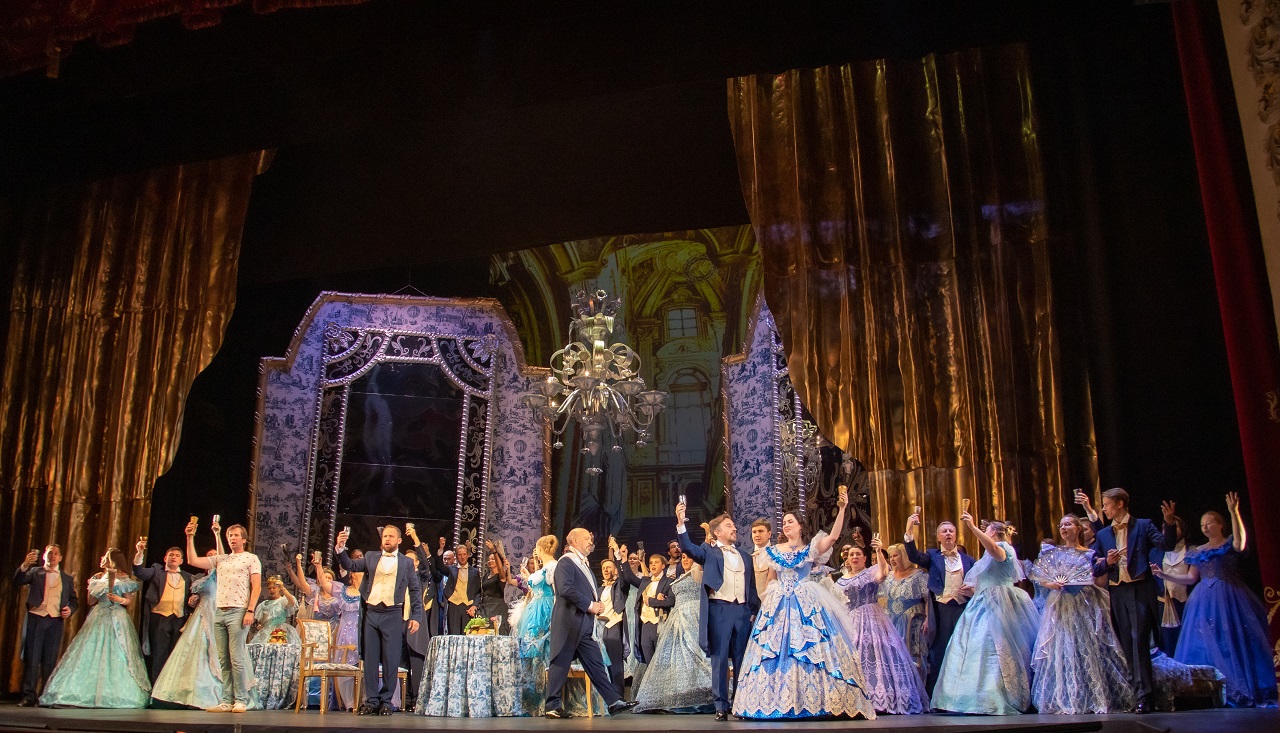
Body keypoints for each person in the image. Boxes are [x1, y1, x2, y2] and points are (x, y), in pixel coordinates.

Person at [731, 491, 875, 720]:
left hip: (805, 600)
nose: (786, 525)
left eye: (790, 521)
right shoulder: (774, 552)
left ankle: (816, 700)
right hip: (779, 603)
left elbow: (833, 537)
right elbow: (771, 580)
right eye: (784, 522)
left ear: (800, 526)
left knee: (811, 647)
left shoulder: (810, 549)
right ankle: (772, 701)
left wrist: (842, 509)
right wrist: (765, 608)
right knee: (774, 649)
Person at [1154, 492, 1278, 707]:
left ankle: (1237, 687)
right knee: (1205, 642)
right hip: (1203, 598)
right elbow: (1191, 578)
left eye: (1209, 523)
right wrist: (1164, 575)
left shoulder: (1228, 543)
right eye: (1202, 524)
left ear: (1220, 525)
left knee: (1232, 640)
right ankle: (1205, 691)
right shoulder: (1198, 551)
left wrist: (1234, 512)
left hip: (1229, 595)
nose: (1205, 527)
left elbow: (1240, 543)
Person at [930, 515, 1039, 715]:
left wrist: (972, 527)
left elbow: (996, 551)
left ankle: (995, 695)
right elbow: (988, 576)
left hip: (998, 604)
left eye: (987, 531)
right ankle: (970, 697)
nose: (984, 534)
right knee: (971, 649)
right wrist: (972, 590)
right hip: (982, 600)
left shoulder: (1003, 548)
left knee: (995, 647)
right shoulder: (988, 554)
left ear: (992, 533)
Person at [1030, 515, 1134, 714]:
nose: (1063, 528)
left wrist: (1107, 565)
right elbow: (1041, 578)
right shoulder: (1054, 553)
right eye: (1061, 525)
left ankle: (1092, 696)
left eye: (1068, 524)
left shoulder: (1090, 554)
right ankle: (1067, 697)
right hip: (1061, 605)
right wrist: (1051, 584)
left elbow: (1097, 578)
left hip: (1084, 603)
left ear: (1078, 528)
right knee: (1063, 648)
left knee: (1087, 647)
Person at [1087, 488, 1178, 713]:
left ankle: (1145, 696)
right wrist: (1107, 562)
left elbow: (1166, 545)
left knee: (1139, 641)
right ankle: (1137, 694)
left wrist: (1169, 523)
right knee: (1127, 643)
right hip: (1118, 592)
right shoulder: (1103, 534)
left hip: (1139, 589)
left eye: (1106, 504)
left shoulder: (1143, 525)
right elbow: (1094, 567)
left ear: (1119, 504)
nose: (1104, 509)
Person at [673, 507, 760, 720]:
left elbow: (751, 587)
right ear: (717, 533)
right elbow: (688, 548)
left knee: (741, 658)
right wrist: (681, 523)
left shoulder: (745, 556)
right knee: (720, 659)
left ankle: (741, 703)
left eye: (734, 525)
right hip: (719, 609)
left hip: (742, 611)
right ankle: (721, 705)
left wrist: (752, 611)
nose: (735, 528)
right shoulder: (708, 551)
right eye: (729, 526)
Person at [39, 548, 150, 708]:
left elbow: (128, 601)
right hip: (99, 615)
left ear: (113, 560)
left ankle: (114, 692)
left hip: (116, 617)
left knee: (116, 651)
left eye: (106, 556)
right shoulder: (98, 577)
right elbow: (91, 601)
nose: (102, 558)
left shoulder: (124, 577)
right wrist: (91, 586)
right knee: (90, 649)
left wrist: (119, 599)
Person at [543, 528, 636, 718]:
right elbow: (565, 590)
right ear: (575, 541)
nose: (590, 540)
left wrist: (594, 605)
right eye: (586, 538)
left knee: (596, 663)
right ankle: (552, 705)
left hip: (584, 622)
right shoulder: (566, 562)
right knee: (560, 661)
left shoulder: (582, 563)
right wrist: (591, 605)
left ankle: (613, 702)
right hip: (569, 621)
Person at [335, 524, 424, 715]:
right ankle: (372, 701)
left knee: (391, 659)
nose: (387, 539)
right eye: (385, 536)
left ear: (399, 540)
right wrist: (341, 549)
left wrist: (416, 616)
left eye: (391, 536)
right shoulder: (370, 557)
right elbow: (350, 566)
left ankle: (386, 702)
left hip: (392, 613)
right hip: (372, 613)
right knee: (371, 659)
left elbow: (415, 590)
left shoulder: (406, 563)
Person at [837, 538, 929, 714]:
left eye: (858, 554)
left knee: (877, 656)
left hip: (871, 617)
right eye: (851, 555)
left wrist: (879, 551)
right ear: (847, 559)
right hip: (850, 619)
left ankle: (882, 697)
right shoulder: (841, 580)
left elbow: (883, 574)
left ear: (864, 558)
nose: (854, 557)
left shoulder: (870, 572)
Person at [185, 517, 261, 713]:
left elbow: (256, 586)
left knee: (236, 658)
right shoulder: (222, 559)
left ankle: (241, 699)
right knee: (223, 659)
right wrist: (190, 537)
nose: (232, 538)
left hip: (238, 610)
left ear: (244, 539)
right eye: (230, 536)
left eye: (235, 535)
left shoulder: (251, 558)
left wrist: (250, 610)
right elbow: (192, 560)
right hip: (220, 611)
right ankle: (227, 700)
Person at [902, 512, 975, 695]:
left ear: (956, 536)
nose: (948, 533)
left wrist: (972, 590)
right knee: (939, 651)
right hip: (941, 609)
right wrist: (909, 529)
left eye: (951, 531)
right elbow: (914, 556)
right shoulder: (933, 556)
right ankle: (938, 695)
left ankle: (963, 692)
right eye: (944, 531)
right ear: (938, 537)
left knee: (964, 648)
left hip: (963, 608)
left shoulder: (968, 560)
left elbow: (978, 582)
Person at [632, 553, 714, 713]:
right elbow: (672, 599)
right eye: (683, 557)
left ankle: (706, 696)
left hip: (693, 616)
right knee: (679, 659)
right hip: (677, 618)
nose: (685, 559)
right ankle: (683, 696)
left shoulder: (699, 572)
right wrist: (662, 598)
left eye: (689, 557)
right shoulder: (678, 577)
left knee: (696, 654)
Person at [152, 540, 225, 709]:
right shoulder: (199, 578)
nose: (212, 558)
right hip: (200, 612)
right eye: (209, 556)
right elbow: (196, 595)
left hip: (216, 611)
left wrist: (217, 535)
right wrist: (194, 599)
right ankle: (187, 691)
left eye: (214, 556)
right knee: (193, 648)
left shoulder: (224, 576)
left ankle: (215, 691)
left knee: (214, 648)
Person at [14, 544, 78, 707]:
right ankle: (29, 696)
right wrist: (25, 565)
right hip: (36, 618)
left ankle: (46, 695)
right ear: (44, 556)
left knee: (49, 660)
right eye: (49, 553)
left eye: (56, 553)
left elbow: (74, 600)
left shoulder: (67, 578)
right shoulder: (35, 572)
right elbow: (18, 580)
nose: (52, 556)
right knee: (32, 659)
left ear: (60, 558)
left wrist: (70, 609)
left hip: (55, 621)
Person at [132, 539, 197, 684]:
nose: (173, 557)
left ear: (181, 561)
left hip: (180, 618)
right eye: (171, 555)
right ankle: (156, 687)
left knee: (176, 654)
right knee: (159, 654)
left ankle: (171, 687)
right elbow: (139, 572)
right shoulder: (157, 570)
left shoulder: (188, 577)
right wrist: (140, 552)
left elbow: (197, 593)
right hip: (160, 617)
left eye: (177, 556)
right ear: (165, 558)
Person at [617, 550, 673, 692]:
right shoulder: (645, 581)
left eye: (656, 562)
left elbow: (671, 601)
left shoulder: (669, 582)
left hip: (659, 624)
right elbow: (629, 577)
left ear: (663, 566)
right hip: (645, 625)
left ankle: (664, 691)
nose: (653, 565)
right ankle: (654, 691)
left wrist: (653, 601)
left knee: (661, 659)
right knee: (648, 658)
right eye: (651, 563)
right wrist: (623, 558)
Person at [878, 543, 929, 682]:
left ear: (904, 556)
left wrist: (927, 619)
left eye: (895, 555)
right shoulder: (888, 577)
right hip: (891, 620)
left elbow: (927, 599)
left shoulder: (918, 576)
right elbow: (882, 599)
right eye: (890, 557)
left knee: (913, 655)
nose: (892, 559)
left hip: (912, 621)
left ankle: (916, 687)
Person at [247, 575, 299, 708]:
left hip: (280, 630)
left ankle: (278, 688)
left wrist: (284, 589)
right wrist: (260, 625)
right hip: (265, 631)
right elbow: (260, 620)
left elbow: (292, 603)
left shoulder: (283, 600)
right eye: (269, 588)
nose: (271, 590)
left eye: (274, 588)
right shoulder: (263, 604)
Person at [403, 525, 439, 712]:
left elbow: (426, 564)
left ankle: (416, 699)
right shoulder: (399, 578)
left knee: (416, 662)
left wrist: (415, 537)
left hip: (415, 625)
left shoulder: (421, 576)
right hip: (399, 623)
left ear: (416, 564)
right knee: (400, 664)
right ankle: (402, 699)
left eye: (411, 560)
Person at [1151, 514, 1191, 655]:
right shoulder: (1155, 553)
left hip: (1187, 602)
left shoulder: (1191, 550)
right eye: (1164, 528)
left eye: (1174, 527)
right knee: (1168, 644)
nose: (1168, 531)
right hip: (1165, 604)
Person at [600, 540, 631, 700]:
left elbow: (624, 577)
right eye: (603, 568)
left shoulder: (620, 585)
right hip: (600, 628)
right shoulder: (599, 589)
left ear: (615, 570)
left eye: (609, 567)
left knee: (615, 663)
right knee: (600, 663)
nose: (606, 570)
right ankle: (605, 698)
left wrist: (617, 553)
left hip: (614, 625)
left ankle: (618, 697)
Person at [437, 542, 480, 635]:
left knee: (467, 634)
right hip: (454, 605)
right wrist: (441, 550)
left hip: (468, 606)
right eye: (460, 555)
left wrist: (475, 606)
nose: (462, 557)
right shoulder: (451, 569)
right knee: (453, 634)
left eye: (464, 554)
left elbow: (478, 592)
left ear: (468, 555)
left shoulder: (474, 572)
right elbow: (440, 567)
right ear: (456, 556)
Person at [749, 518, 773, 592]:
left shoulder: (776, 554)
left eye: (760, 531)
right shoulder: (747, 556)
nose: (757, 535)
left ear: (769, 534)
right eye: (754, 532)